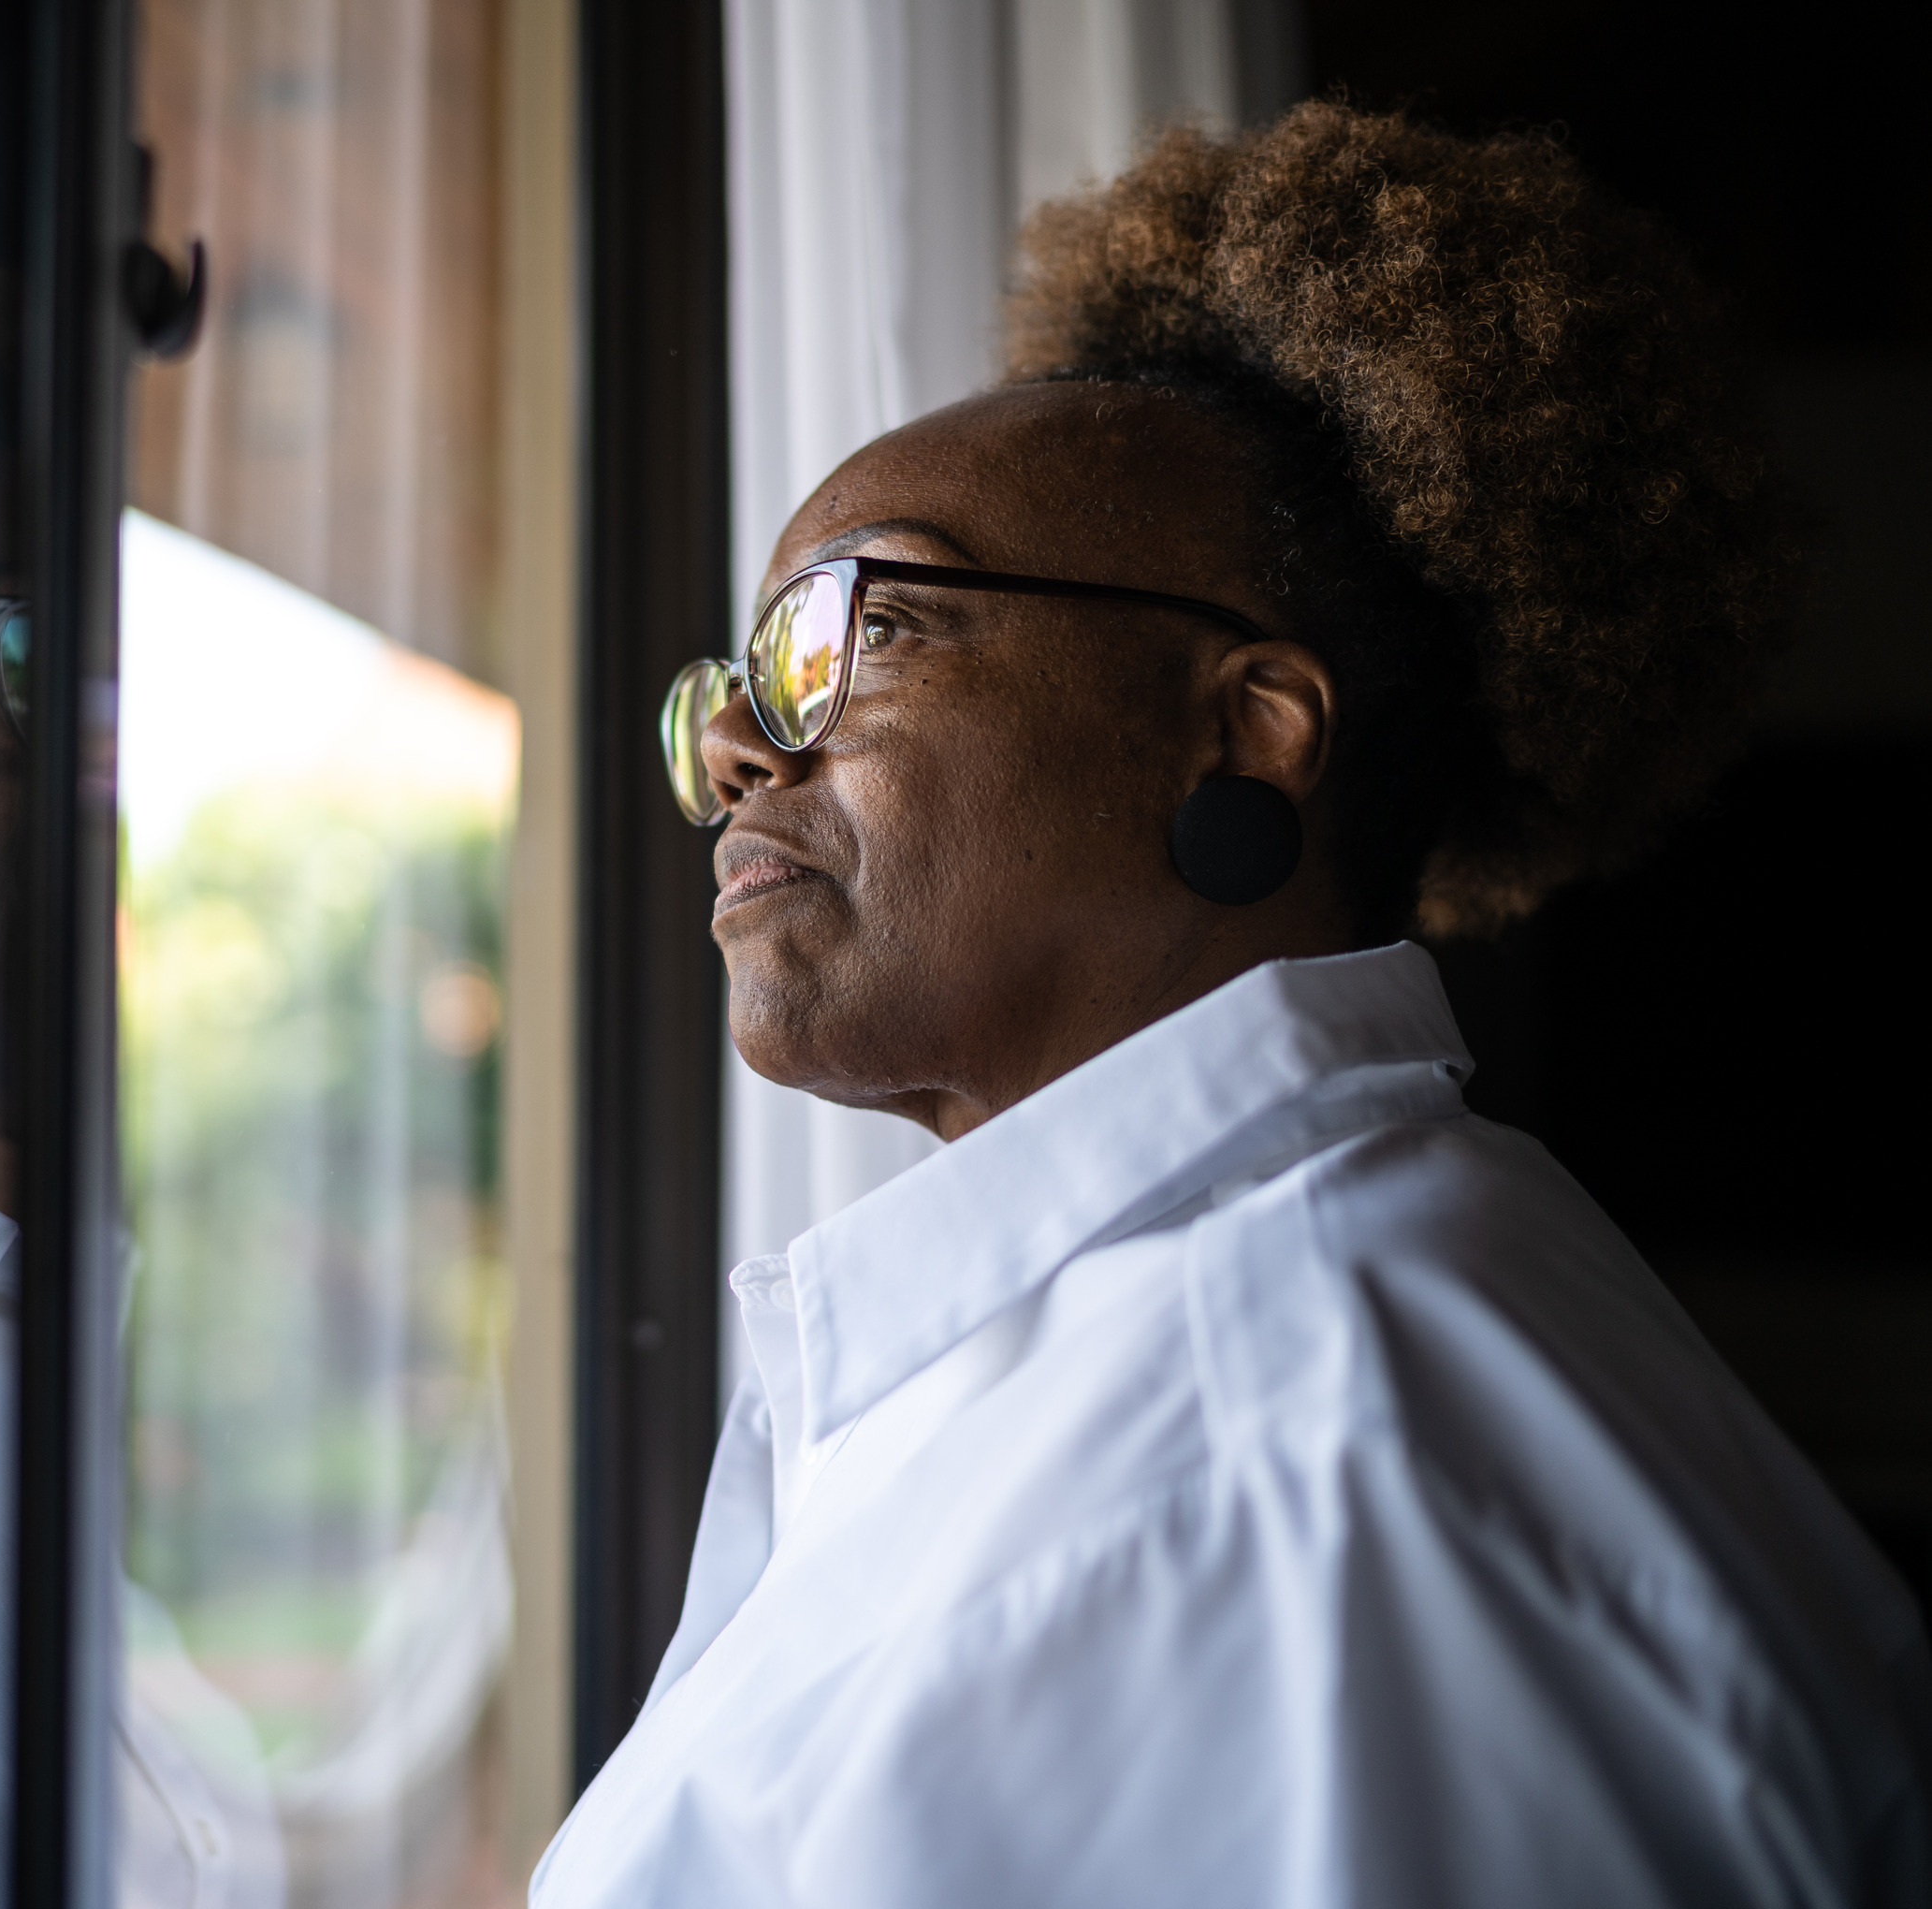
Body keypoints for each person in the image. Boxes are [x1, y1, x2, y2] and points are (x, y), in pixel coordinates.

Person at [533, 103, 1930, 1907]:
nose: (736, 742)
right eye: (737, 676)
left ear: (1246, 724)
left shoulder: (1314, 1453)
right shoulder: (1164, 1366)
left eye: (845, 632)